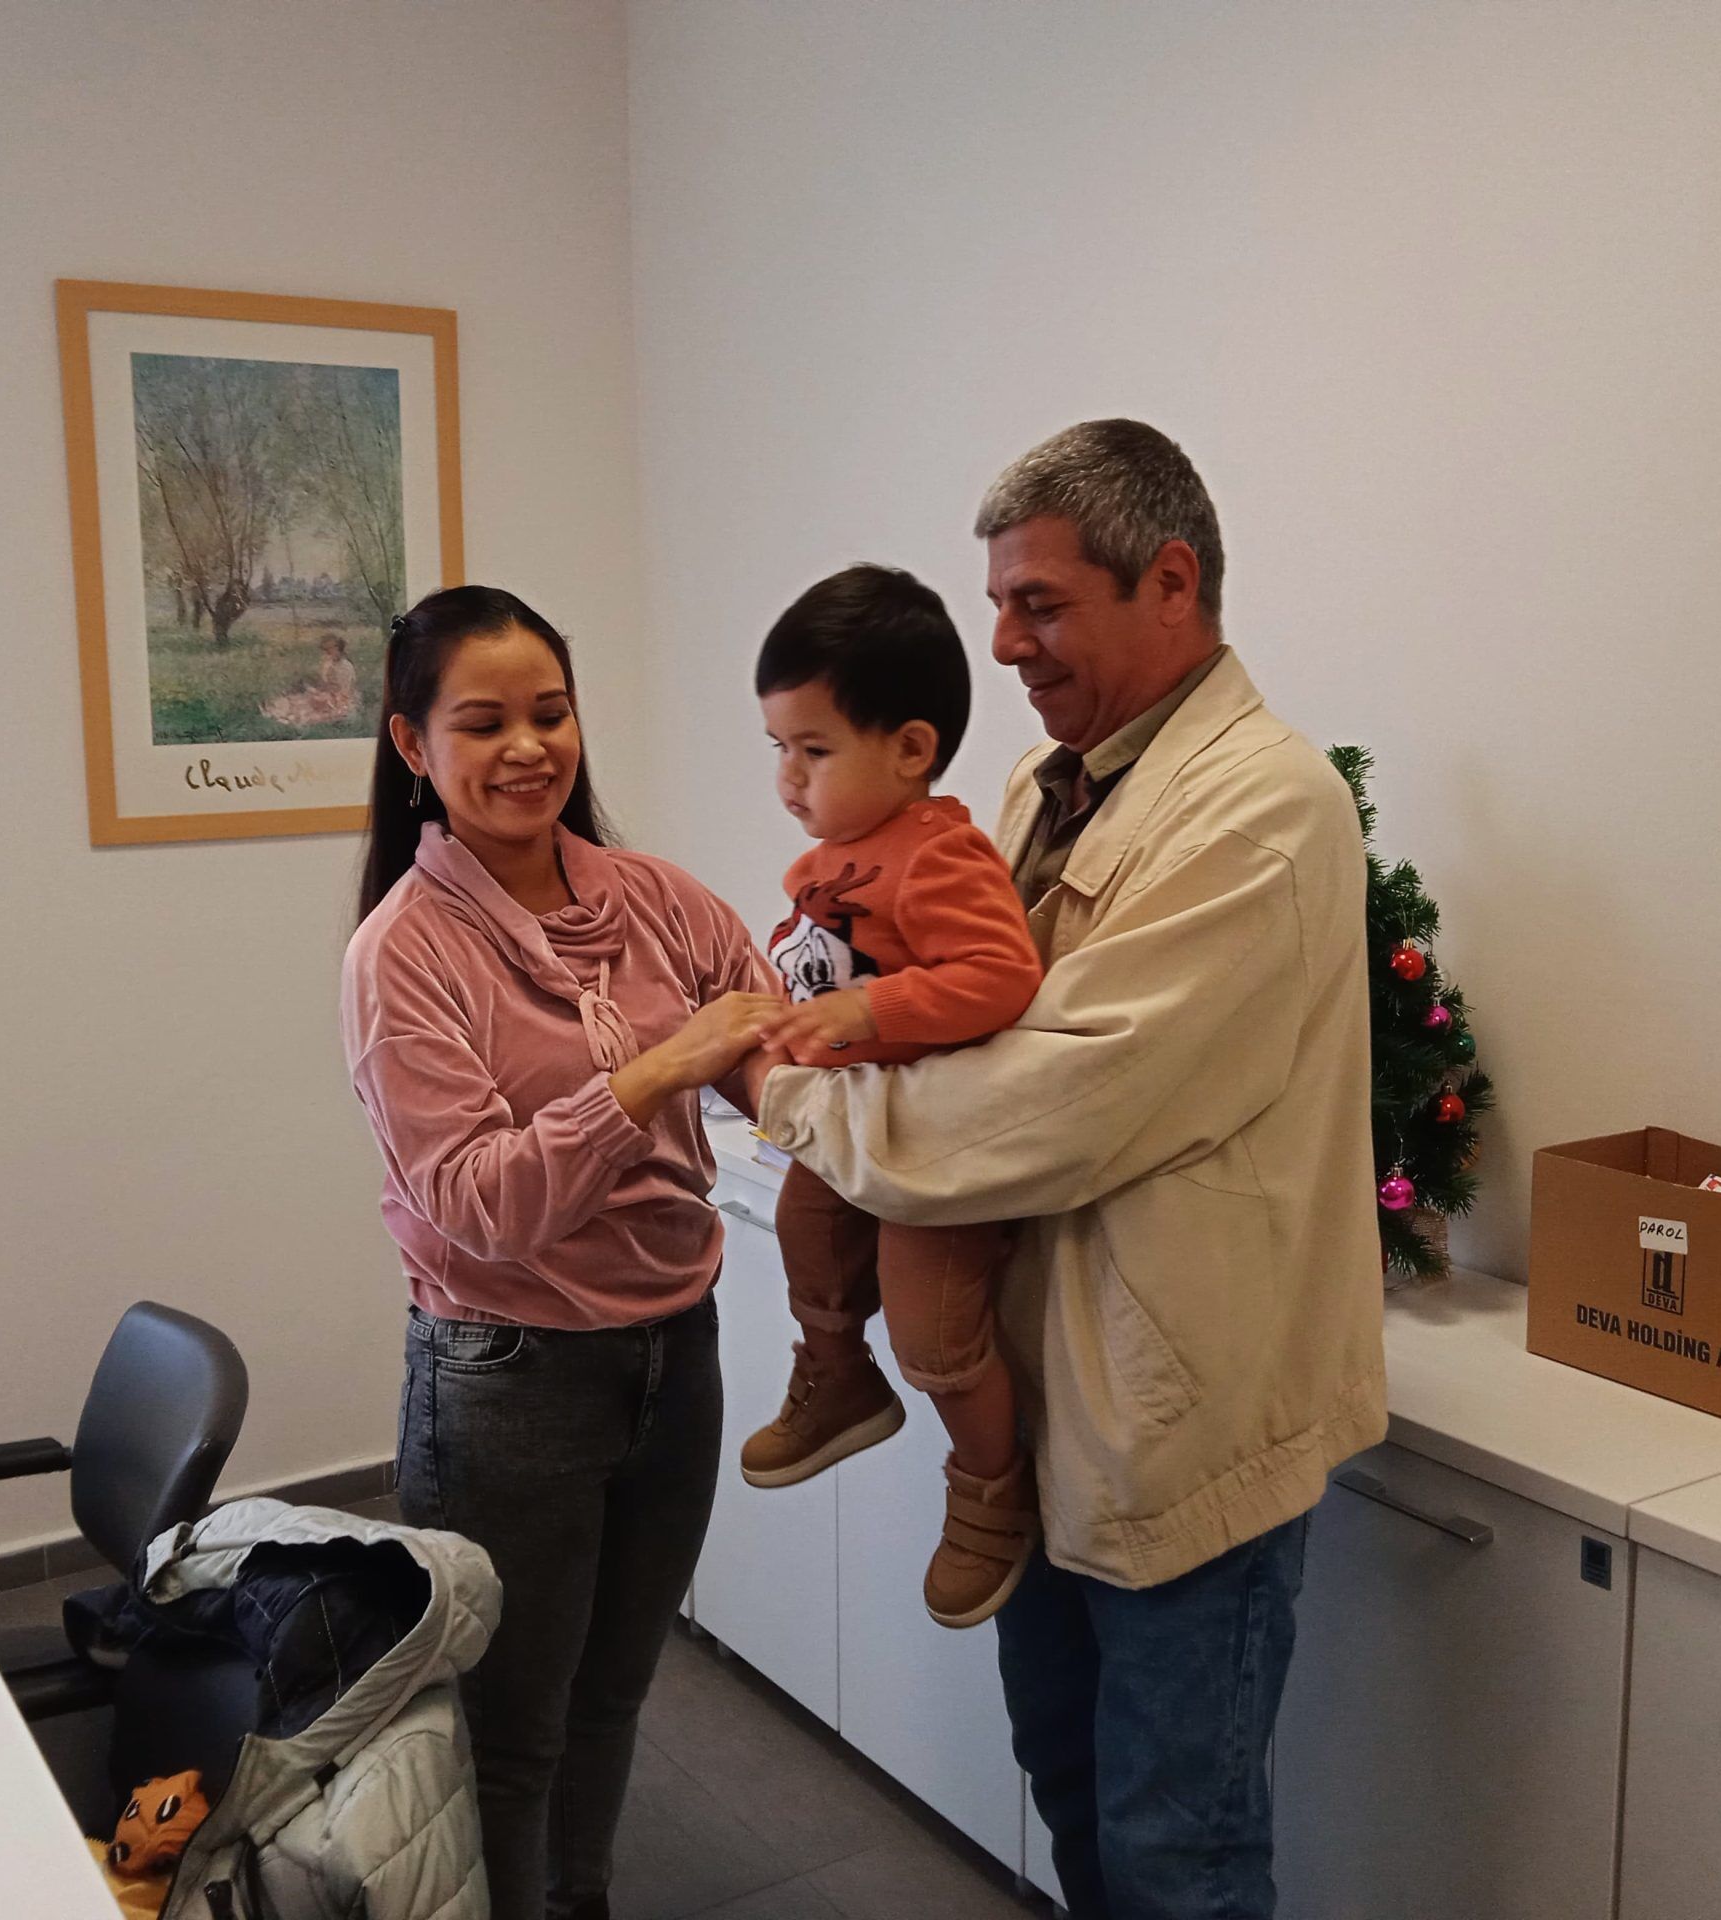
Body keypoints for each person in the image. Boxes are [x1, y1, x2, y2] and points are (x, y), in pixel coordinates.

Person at [748, 422, 1385, 1919]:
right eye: (998, 603)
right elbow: (957, 1002)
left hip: (1178, 1427)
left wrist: (788, 1090)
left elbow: (1053, 1105)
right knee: (1074, 1792)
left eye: (1039, 603)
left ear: (1169, 582)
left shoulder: (1265, 809)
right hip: (1050, 1402)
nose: (1002, 643)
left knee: (1178, 1854)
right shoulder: (1051, 780)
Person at [341, 585, 783, 1920]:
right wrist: (661, 1069)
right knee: (507, 1732)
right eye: (484, 723)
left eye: (551, 712)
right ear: (413, 744)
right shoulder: (402, 954)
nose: (528, 747)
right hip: (508, 1377)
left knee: (612, 1696)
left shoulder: (655, 899)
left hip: (675, 1352)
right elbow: (481, 1204)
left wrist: (846, 1070)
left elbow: (763, 1034)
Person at [735, 564, 1046, 1629]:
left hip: (931, 1148)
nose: (788, 778)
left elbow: (1000, 975)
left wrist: (865, 1012)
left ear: (911, 749)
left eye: (814, 751)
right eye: (778, 747)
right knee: (803, 1232)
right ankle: (835, 1374)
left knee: (936, 1337)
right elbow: (823, 968)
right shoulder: (833, 860)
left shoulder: (939, 856)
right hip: (849, 1127)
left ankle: (990, 1486)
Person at [263, 629, 360, 731]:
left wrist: (320, 691)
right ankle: (276, 712)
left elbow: (343, 690)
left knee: (306, 704)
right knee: (298, 699)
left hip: (339, 700)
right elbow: (324, 682)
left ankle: (288, 717)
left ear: (337, 648)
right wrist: (315, 686)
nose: (326, 653)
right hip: (328, 695)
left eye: (328, 650)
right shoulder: (330, 663)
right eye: (325, 650)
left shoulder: (345, 667)